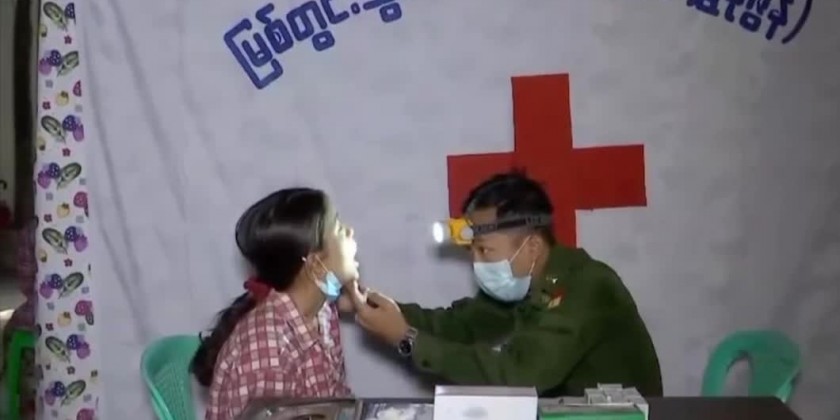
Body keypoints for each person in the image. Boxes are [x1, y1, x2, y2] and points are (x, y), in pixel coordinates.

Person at [350, 171, 663, 397]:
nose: (476, 262)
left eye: (485, 250)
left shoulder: (587, 287)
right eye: (472, 251)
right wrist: (365, 302)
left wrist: (407, 339)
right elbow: (458, 325)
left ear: (532, 247)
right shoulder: (523, 283)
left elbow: (521, 373)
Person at [191, 188, 360, 420]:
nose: (350, 232)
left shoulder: (323, 312)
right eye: (339, 228)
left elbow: (338, 402)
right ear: (314, 264)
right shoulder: (268, 354)